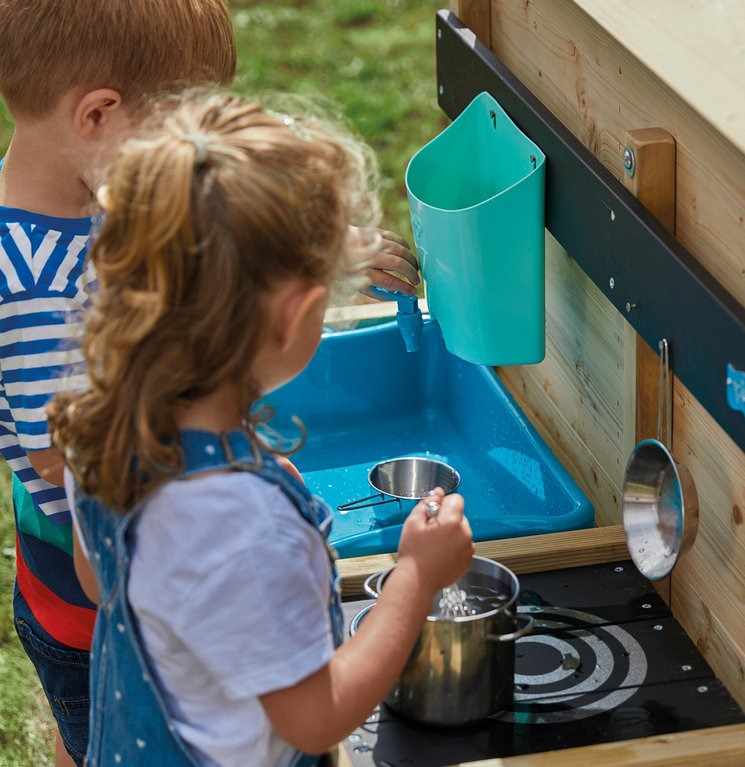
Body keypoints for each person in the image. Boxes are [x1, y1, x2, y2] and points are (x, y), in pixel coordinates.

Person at [0, 2, 419, 763]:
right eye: (174, 125)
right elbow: (68, 456)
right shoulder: (32, 287)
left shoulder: (115, 208)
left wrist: (319, 247)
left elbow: (197, 250)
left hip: (120, 583)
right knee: (101, 721)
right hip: (90, 602)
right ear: (97, 113)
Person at [48, 90, 474, 767]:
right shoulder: (243, 525)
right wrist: (416, 578)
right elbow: (316, 716)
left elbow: (101, 581)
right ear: (293, 314)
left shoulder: (102, 409)